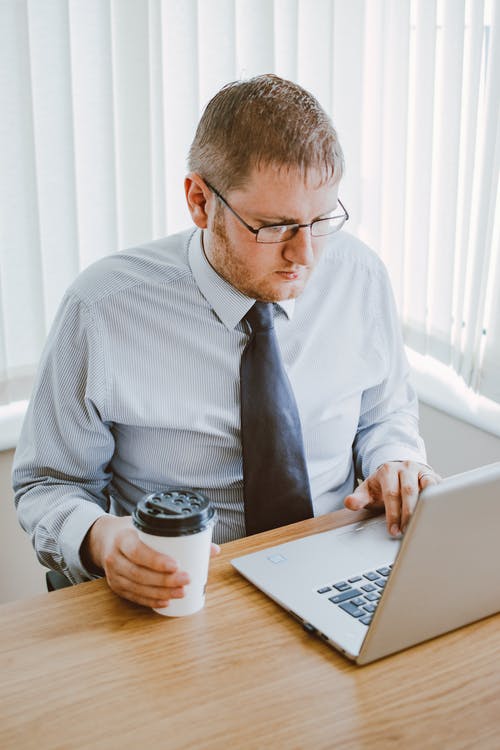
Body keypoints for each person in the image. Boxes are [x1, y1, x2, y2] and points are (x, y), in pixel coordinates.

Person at [13, 74, 439, 611]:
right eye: (274, 226)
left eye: (321, 220)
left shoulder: (360, 276)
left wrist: (396, 461)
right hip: (185, 595)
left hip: (334, 574)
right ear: (199, 201)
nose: (305, 255)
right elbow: (49, 483)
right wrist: (101, 540)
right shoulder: (103, 307)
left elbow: (384, 415)